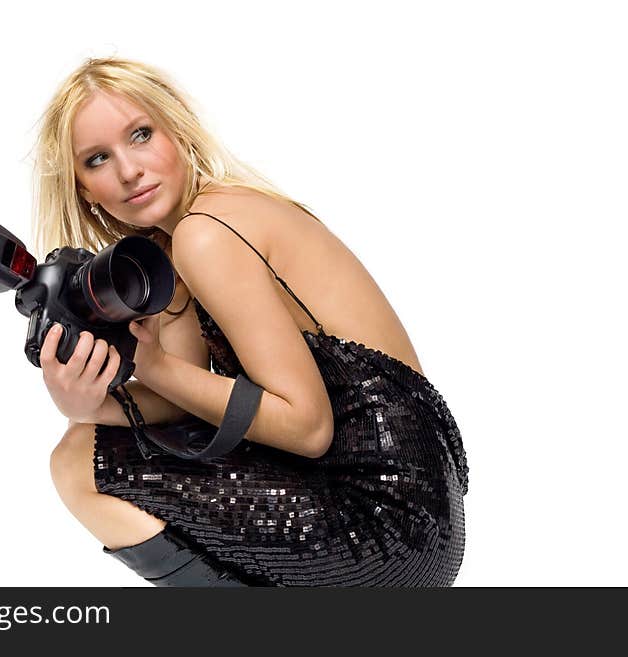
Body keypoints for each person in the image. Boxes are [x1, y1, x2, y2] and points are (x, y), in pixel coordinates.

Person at [36, 57, 468, 586]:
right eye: (99, 158)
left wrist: (150, 367)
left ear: (178, 130)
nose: (129, 170)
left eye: (141, 135)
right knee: (86, 437)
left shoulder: (208, 232)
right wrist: (90, 402)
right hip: (427, 516)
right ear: (82, 187)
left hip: (385, 522)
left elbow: (308, 428)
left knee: (82, 462)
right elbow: (181, 409)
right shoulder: (179, 247)